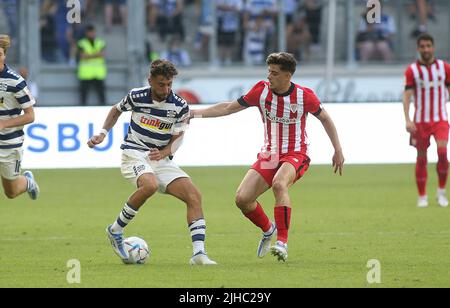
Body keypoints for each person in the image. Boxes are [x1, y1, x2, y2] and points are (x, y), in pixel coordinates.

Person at [191, 52, 344, 262]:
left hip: (296, 153)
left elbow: (325, 118)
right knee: (242, 199)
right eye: (269, 71)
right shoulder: (261, 91)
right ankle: (268, 229)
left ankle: (282, 242)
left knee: (279, 184)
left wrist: (337, 149)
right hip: (269, 155)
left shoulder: (304, 96)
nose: (269, 76)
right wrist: (194, 113)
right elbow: (227, 107)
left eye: (274, 73)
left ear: (288, 76)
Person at [87, 59, 216, 266]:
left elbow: (178, 138)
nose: (166, 89)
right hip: (134, 153)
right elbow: (116, 109)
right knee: (150, 185)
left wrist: (164, 152)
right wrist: (102, 133)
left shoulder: (180, 106)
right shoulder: (136, 96)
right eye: (161, 84)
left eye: (169, 84)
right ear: (150, 80)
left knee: (194, 196)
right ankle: (115, 230)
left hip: (160, 158)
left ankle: (198, 254)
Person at [403, 33, 450, 208]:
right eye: (422, 46)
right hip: (420, 121)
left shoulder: (444, 68)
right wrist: (407, 119)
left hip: (440, 120)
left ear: (433, 47)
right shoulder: (412, 71)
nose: (426, 49)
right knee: (421, 157)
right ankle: (422, 196)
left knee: (443, 153)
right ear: (418, 49)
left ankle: (441, 191)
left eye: (428, 46)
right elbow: (407, 96)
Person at [0, 34, 40, 200]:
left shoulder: (15, 82)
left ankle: (28, 182)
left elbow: (30, 116)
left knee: (11, 192)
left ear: (4, 55)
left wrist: (4, 124)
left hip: (9, 143)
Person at [77, 25, 107, 106]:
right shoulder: (81, 43)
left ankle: (103, 108)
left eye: (92, 32)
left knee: (101, 94)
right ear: (86, 33)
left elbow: (102, 54)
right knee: (83, 95)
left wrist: (89, 55)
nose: (91, 34)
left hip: (98, 73)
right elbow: (82, 56)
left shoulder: (100, 42)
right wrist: (96, 54)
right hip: (86, 74)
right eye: (89, 32)